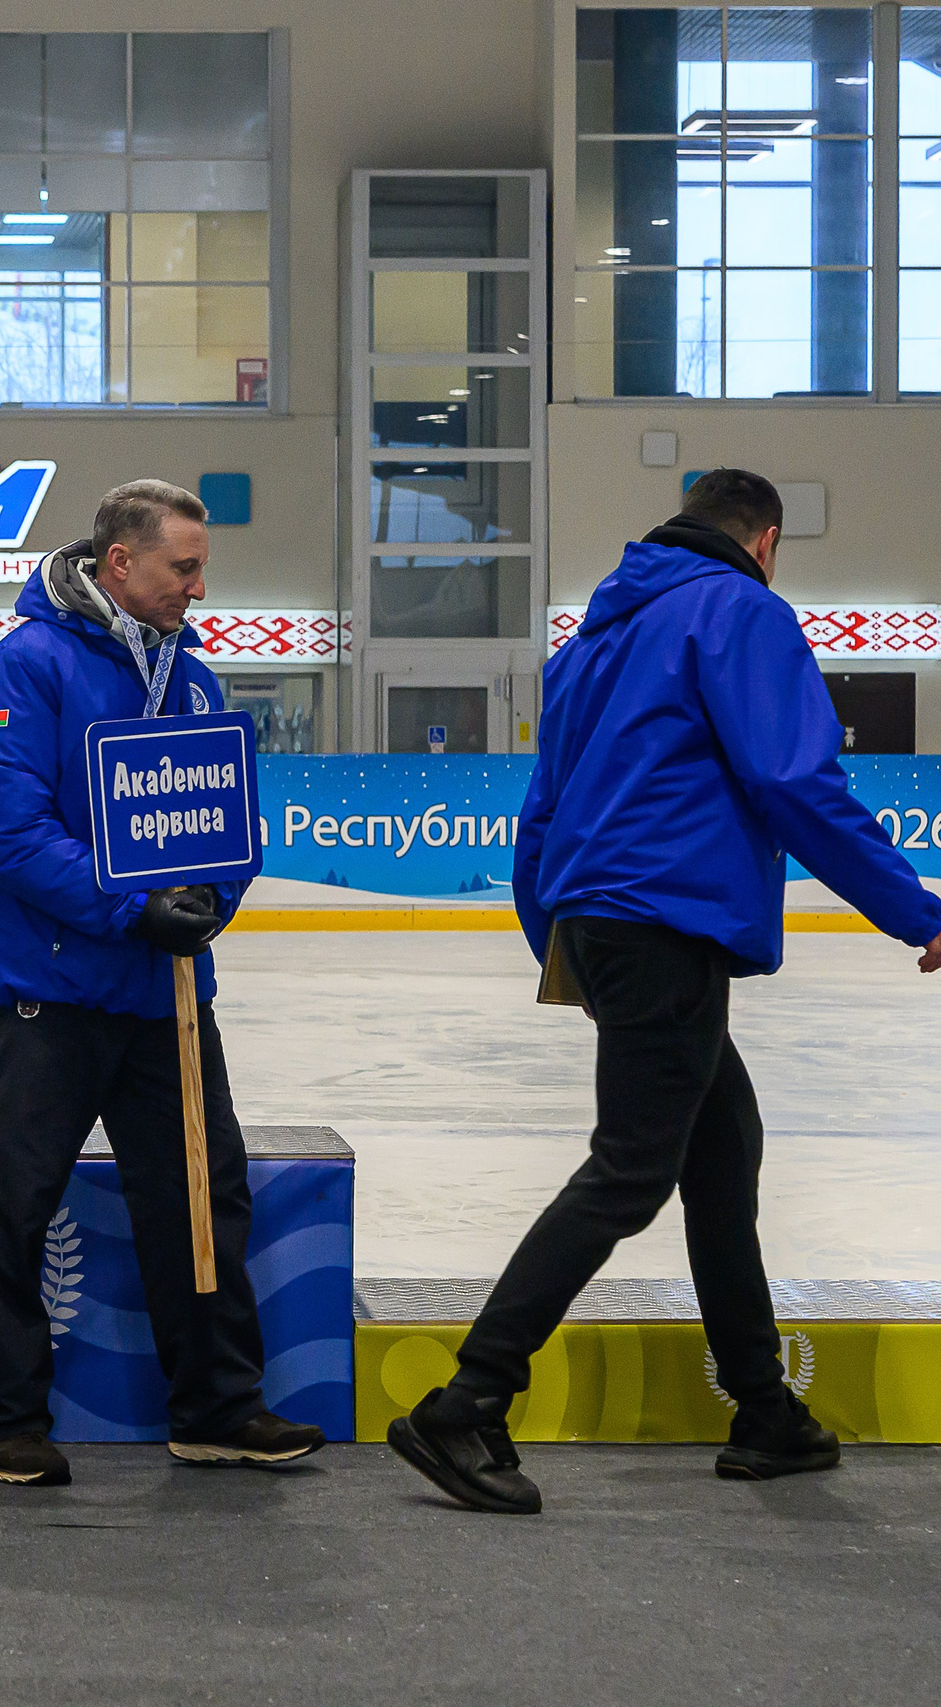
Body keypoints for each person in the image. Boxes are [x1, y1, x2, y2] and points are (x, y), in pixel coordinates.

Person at [389, 470, 941, 1515]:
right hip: (665, 923)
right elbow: (793, 781)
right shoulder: (740, 612)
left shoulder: (592, 641)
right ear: (765, 540)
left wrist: (561, 947)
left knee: (719, 1153)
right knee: (631, 1170)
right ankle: (466, 1400)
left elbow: (540, 816)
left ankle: (764, 1409)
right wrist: (915, 910)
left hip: (605, 927)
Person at [0, 479, 326, 1486]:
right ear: (121, 564)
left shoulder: (194, 680)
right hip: (50, 997)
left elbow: (228, 822)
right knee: (15, 1205)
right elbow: (10, 835)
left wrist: (213, 903)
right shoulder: (25, 669)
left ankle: (215, 1405)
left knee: (203, 1199)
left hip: (167, 1001)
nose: (200, 588)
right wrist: (131, 910)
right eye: (185, 568)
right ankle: (5, 1421)